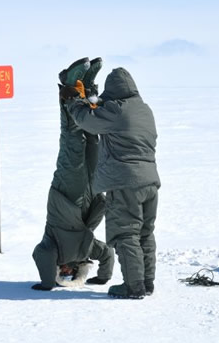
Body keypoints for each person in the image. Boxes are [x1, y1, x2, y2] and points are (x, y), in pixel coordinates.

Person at [61, 67, 161, 299]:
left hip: (125, 182)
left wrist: (74, 101)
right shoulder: (144, 110)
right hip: (149, 181)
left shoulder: (118, 111)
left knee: (126, 233)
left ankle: (132, 286)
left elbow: (88, 122)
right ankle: (146, 282)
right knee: (145, 233)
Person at [31, 58, 114, 291]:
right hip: (91, 190)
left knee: (72, 142)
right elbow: (107, 254)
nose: (67, 272)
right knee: (92, 141)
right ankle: (87, 89)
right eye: (71, 275)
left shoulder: (53, 250)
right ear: (78, 269)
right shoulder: (87, 250)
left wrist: (48, 283)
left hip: (66, 195)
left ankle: (69, 85)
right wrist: (103, 277)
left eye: (63, 275)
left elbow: (41, 254)